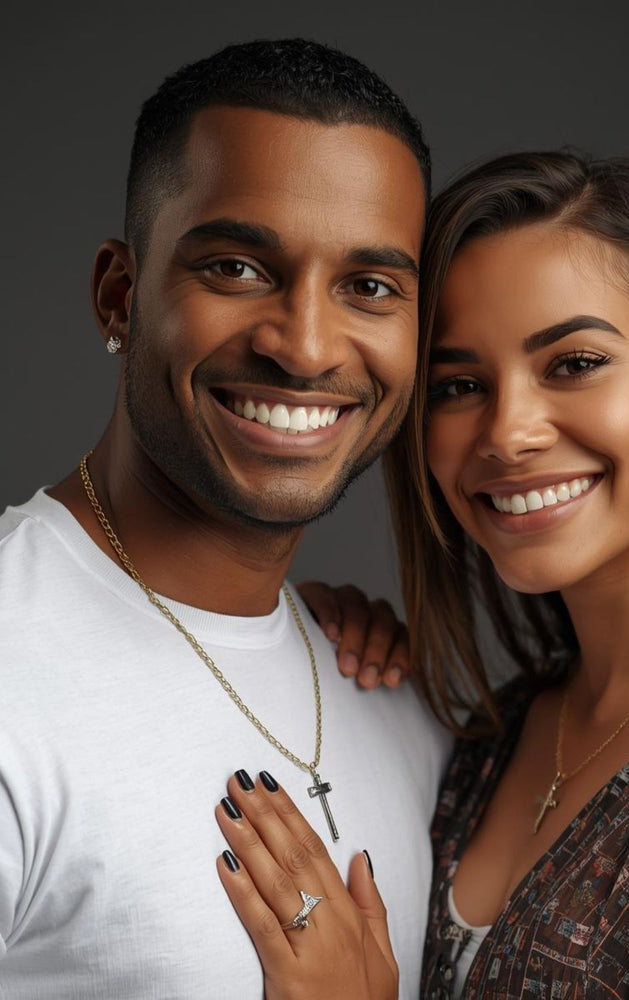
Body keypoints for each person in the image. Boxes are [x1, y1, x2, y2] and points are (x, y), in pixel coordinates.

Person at [213, 151, 629, 999]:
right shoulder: (509, 727)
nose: (508, 432)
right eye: (459, 384)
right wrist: (304, 645)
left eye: (574, 363)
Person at [0, 39, 452, 999]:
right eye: (240, 267)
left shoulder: (394, 696)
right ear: (120, 296)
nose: (307, 347)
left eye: (369, 287)